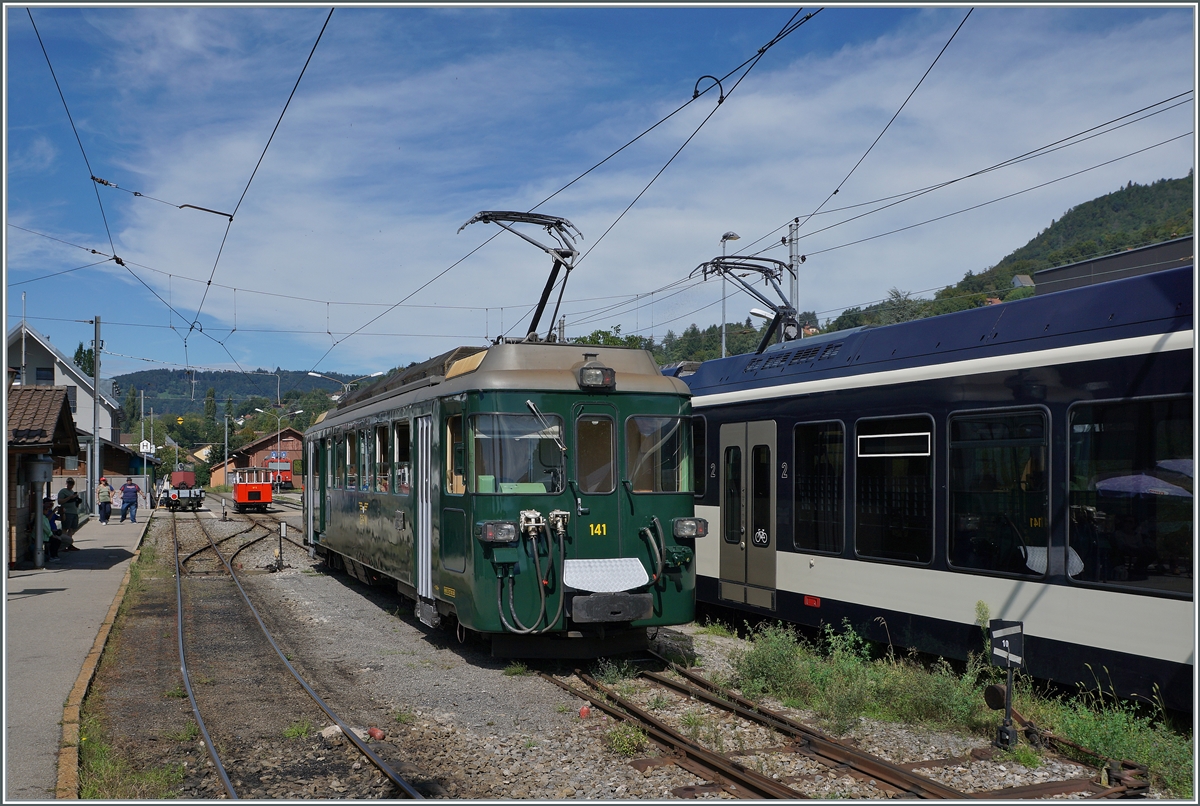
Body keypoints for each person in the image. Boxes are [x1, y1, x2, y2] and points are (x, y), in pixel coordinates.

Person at [56, 477, 83, 551]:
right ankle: (63, 544)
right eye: (69, 484)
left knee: (72, 528)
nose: (70, 486)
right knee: (65, 528)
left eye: (72, 484)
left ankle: (69, 544)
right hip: (67, 512)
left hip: (74, 511)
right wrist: (70, 497)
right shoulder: (63, 491)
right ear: (66, 483)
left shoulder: (71, 491)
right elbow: (60, 501)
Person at [39, 498, 62, 562]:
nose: (51, 504)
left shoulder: (47, 514)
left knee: (59, 540)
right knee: (56, 540)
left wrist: (62, 513)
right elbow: (46, 527)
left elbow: (61, 519)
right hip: (46, 535)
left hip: (52, 532)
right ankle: (52, 556)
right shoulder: (42, 517)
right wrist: (52, 535)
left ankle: (54, 554)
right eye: (49, 503)